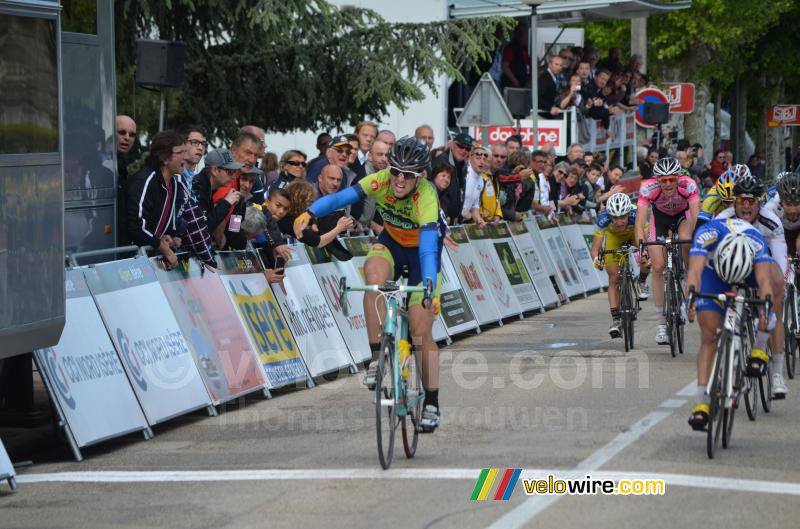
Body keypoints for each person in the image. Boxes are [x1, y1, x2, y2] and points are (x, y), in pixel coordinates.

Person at [293, 137, 443, 431]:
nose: (399, 179)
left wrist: (428, 284)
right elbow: (340, 199)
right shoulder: (381, 179)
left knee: (420, 332)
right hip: (392, 243)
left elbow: (427, 247)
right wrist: (310, 212)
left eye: (408, 174)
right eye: (395, 171)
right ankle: (377, 357)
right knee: (372, 275)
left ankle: (433, 402)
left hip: (422, 254)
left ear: (420, 175)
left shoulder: (426, 195)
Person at [685, 222, 775, 430]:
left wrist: (765, 311)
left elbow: (764, 282)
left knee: (768, 310)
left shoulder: (757, 243)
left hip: (748, 273)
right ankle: (702, 403)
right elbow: (695, 272)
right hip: (713, 273)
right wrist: (690, 300)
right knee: (709, 335)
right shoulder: (707, 234)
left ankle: (758, 349)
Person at [715, 174, 788, 398]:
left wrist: (778, 288)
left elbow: (780, 261)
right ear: (734, 202)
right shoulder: (722, 219)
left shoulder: (770, 222)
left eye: (751, 201)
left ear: (760, 203)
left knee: (776, 296)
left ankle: (777, 373)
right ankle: (729, 358)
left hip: (765, 264)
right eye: (742, 200)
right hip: (736, 266)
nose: (746, 206)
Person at [635, 156, 700, 345]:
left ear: (678, 177)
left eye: (672, 179)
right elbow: (639, 222)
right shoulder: (648, 188)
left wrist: (699, 242)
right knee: (657, 267)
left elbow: (696, 217)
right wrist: (643, 247)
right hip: (660, 220)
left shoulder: (688, 185)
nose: (668, 184)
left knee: (687, 240)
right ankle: (661, 323)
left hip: (682, 217)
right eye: (664, 180)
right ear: (657, 180)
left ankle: (687, 277)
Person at [126, 130, 190, 268]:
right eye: (180, 152)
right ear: (165, 158)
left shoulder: (174, 183)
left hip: (149, 259)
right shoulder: (144, 181)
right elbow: (136, 227)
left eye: (185, 152)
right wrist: (162, 247)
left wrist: (162, 237)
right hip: (130, 261)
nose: (185, 157)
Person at [591, 193, 651, 337]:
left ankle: (641, 281)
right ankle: (616, 320)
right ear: (609, 216)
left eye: (623, 217)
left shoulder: (637, 213)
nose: (619, 221)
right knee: (614, 278)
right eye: (615, 218)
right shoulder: (603, 218)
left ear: (629, 213)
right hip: (614, 239)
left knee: (645, 258)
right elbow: (595, 250)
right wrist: (597, 260)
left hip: (634, 234)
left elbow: (647, 238)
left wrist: (646, 253)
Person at [695, 165, 746, 229]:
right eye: (725, 201)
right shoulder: (711, 197)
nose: (729, 205)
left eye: (732, 202)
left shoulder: (746, 195)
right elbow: (701, 226)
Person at [769, 171, 800, 257]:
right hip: (780, 233)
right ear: (781, 202)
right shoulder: (771, 208)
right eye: (788, 204)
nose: (793, 210)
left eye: (797, 204)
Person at [182, 125, 207, 189]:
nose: (200, 148)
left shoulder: (199, 183)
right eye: (195, 142)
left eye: (203, 144)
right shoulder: (172, 178)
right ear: (183, 144)